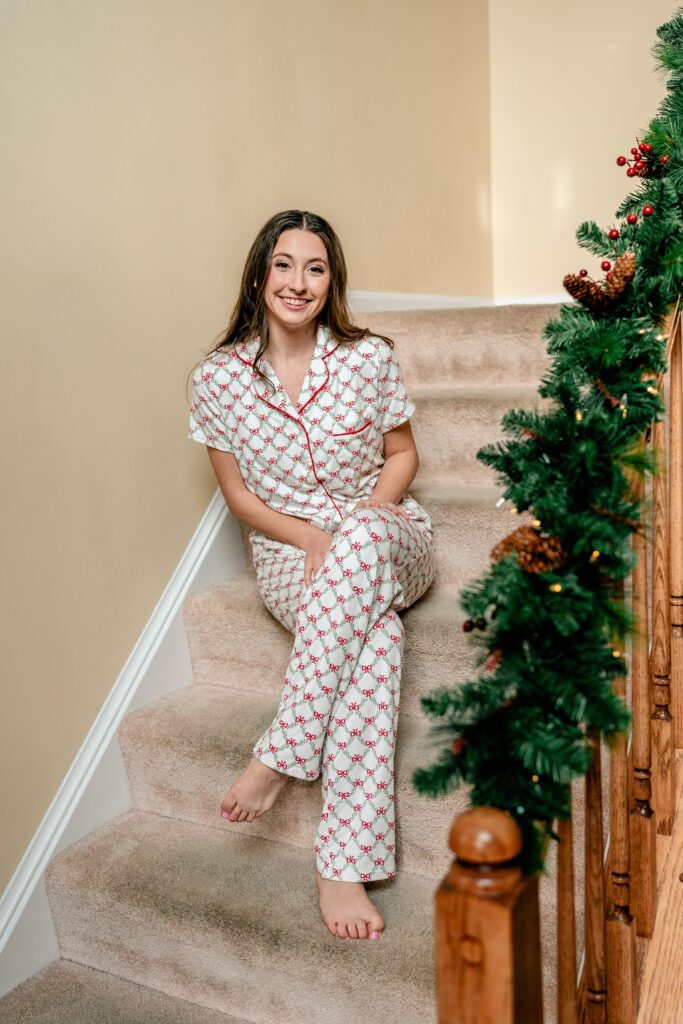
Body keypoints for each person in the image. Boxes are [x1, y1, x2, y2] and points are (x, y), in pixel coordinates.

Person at [187, 210, 435, 942]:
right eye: (286, 264)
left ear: (332, 283)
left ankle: (280, 751)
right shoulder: (216, 379)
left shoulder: (367, 358)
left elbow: (402, 458)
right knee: (378, 641)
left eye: (316, 268)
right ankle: (344, 867)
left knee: (361, 538)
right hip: (290, 559)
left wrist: (359, 527)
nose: (299, 282)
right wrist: (309, 538)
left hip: (390, 535)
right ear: (260, 274)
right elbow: (238, 498)